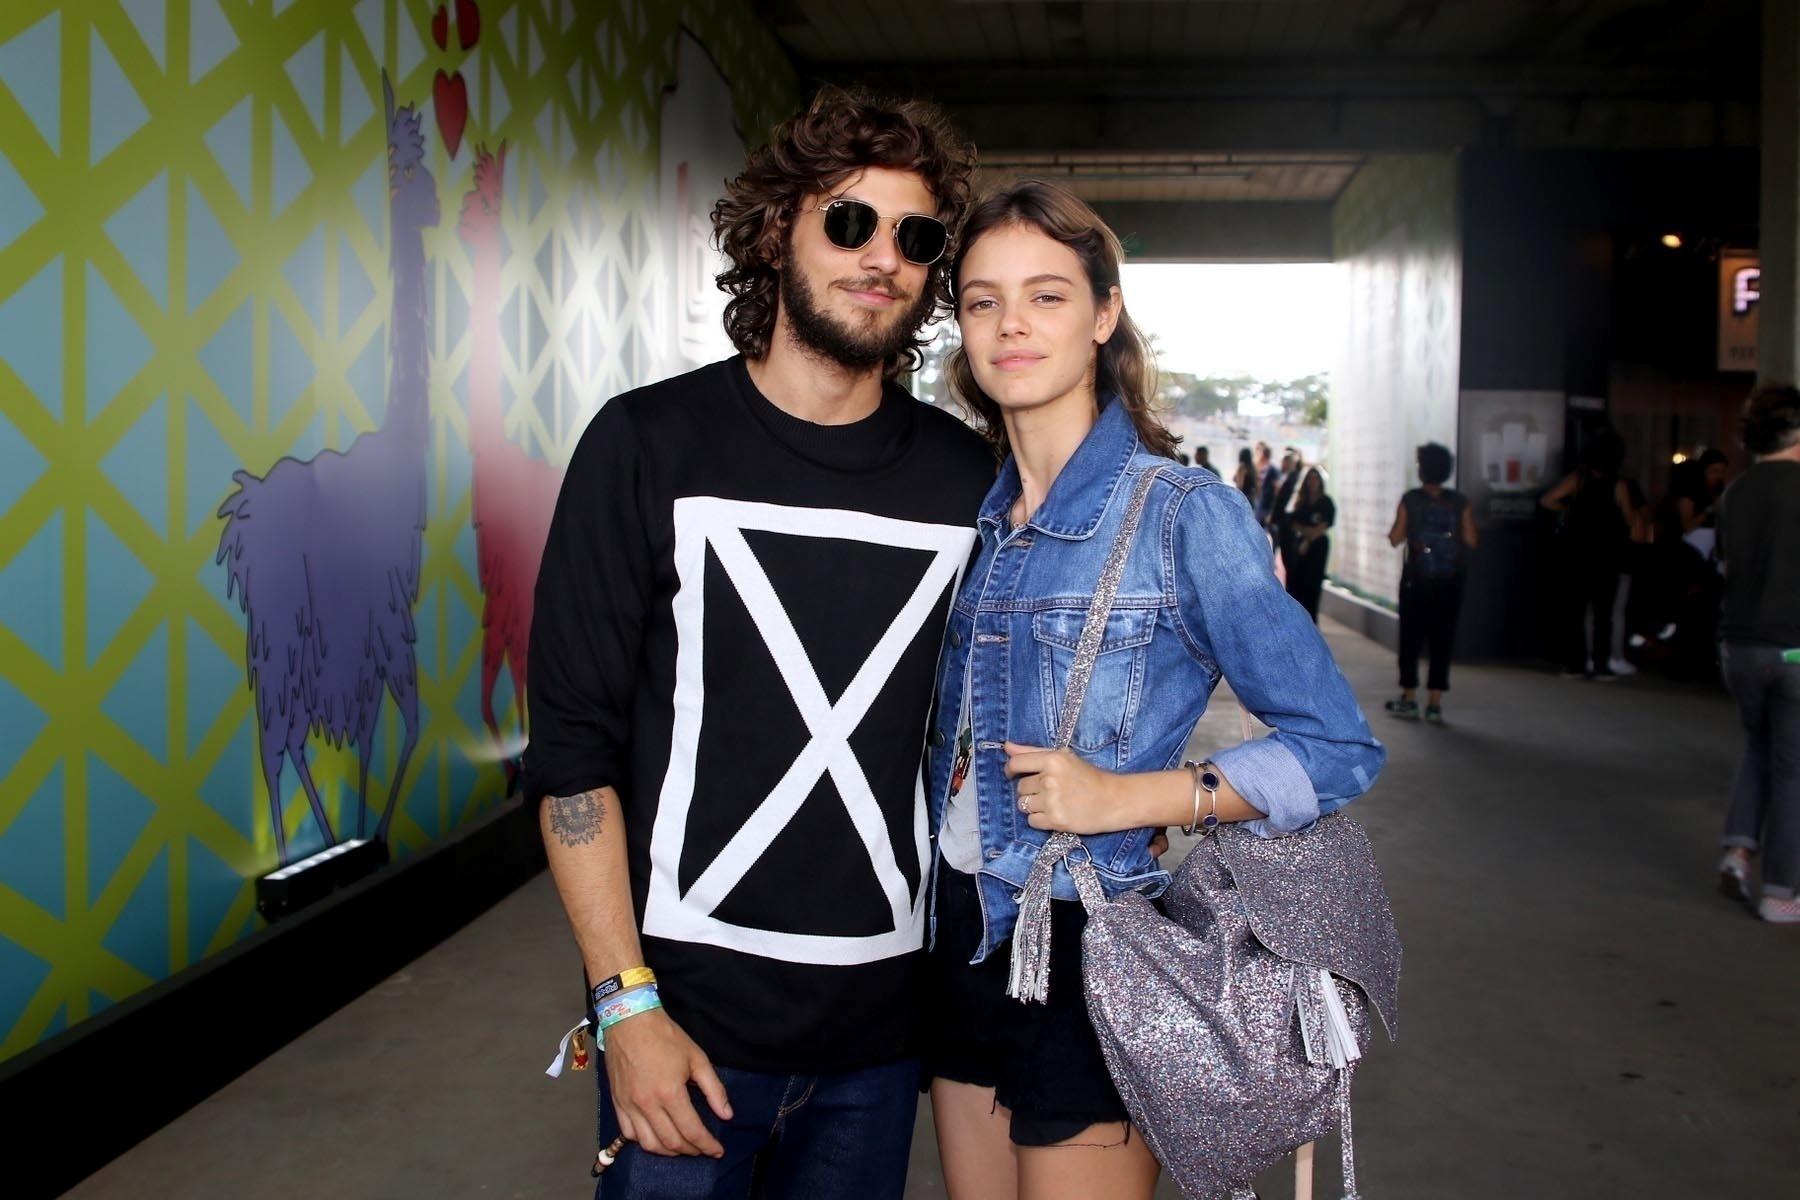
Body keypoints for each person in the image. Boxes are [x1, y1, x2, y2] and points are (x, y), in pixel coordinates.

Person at [524, 86, 992, 1198]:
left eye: (916, 238)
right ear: (777, 229)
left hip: (881, 1044)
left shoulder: (966, 481)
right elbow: (573, 756)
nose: (882, 258)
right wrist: (624, 1007)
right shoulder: (646, 444)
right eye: (849, 221)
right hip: (682, 1036)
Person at [924, 180, 1384, 1200]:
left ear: (1104, 315)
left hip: (1094, 946)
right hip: (959, 930)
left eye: (1046, 295)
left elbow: (1336, 747)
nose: (1011, 324)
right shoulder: (974, 522)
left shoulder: (1183, 514)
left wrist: (1135, 797)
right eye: (984, 299)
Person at [1714, 384, 1800, 924]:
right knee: (1793, 771)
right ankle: (1781, 893)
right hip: (1793, 650)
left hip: (1739, 648)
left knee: (1758, 747)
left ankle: (1738, 850)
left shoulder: (1735, 492)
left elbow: (1727, 564)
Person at [1385, 442, 1478, 723]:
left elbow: (1395, 538)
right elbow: (1472, 539)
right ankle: (1435, 703)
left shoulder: (1411, 499)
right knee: (1443, 639)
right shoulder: (1459, 501)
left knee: (1410, 639)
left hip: (1416, 581)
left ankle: (1409, 698)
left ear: (1422, 468)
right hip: (1450, 582)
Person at [1541, 430, 1639, 680]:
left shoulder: (1578, 479)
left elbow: (1547, 500)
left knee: (1574, 611)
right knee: (1603, 613)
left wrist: (1569, 509)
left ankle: (1575, 663)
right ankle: (1600, 665)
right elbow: (1630, 519)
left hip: (1577, 552)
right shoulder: (1618, 485)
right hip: (1607, 554)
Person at [1283, 466, 1334, 621]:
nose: (1313, 482)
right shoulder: (1300, 502)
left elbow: (1322, 527)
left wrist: (1308, 539)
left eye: (1315, 479)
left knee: (1313, 585)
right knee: (1297, 583)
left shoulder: (1326, 503)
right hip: (1299, 547)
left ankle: (1312, 620)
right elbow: (1294, 524)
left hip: (1317, 548)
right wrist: (1306, 533)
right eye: (1310, 479)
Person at [1253, 440, 1281, 525]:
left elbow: (1276, 490)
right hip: (1260, 502)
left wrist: (1272, 509)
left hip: (1267, 504)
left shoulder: (1273, 470)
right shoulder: (1261, 468)